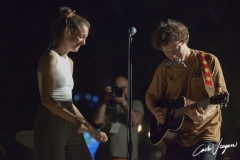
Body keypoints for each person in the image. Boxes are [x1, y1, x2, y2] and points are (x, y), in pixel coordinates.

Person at [145, 19, 228, 160]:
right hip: (175, 136)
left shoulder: (208, 61)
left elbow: (218, 97)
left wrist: (204, 116)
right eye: (167, 52)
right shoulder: (164, 68)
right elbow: (150, 96)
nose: (172, 55)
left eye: (175, 49)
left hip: (206, 132)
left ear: (185, 41)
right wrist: (155, 111)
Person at [34, 6, 108, 160]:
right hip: (50, 119)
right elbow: (47, 99)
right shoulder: (50, 57)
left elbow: (69, 103)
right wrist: (75, 120)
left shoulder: (70, 62)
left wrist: (92, 130)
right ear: (68, 31)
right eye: (81, 36)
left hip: (69, 118)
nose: (84, 42)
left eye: (86, 37)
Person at [93, 76, 144, 160]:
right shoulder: (108, 105)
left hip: (126, 156)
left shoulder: (135, 103)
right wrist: (105, 101)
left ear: (129, 88)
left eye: (123, 88)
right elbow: (97, 121)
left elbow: (135, 121)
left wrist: (123, 103)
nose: (121, 91)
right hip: (104, 155)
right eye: (117, 88)